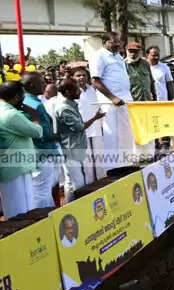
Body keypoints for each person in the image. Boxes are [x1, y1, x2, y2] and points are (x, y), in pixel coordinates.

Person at [91, 31, 136, 171]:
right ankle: (114, 168)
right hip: (111, 103)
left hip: (125, 100)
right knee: (113, 135)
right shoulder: (99, 56)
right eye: (114, 42)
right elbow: (95, 81)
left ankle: (127, 163)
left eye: (119, 42)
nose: (118, 44)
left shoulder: (118, 56)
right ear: (104, 42)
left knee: (126, 133)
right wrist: (113, 97)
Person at [55, 78, 106, 202]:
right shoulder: (65, 109)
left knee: (74, 182)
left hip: (74, 148)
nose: (79, 91)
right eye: (76, 89)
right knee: (77, 183)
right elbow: (80, 127)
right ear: (67, 92)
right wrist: (95, 118)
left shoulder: (70, 105)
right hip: (70, 150)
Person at [0, 82, 42, 218]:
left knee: (13, 209)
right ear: (16, 96)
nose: (24, 98)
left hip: (10, 168)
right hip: (17, 170)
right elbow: (37, 132)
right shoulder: (11, 114)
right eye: (23, 95)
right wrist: (35, 116)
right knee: (22, 212)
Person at [21, 72, 62, 209]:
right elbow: (43, 134)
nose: (44, 84)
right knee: (41, 193)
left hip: (38, 153)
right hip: (41, 154)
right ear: (32, 85)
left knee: (43, 191)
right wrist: (62, 134)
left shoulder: (29, 102)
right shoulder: (33, 104)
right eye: (41, 82)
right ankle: (42, 222)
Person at [72, 67, 105, 181]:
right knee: (87, 162)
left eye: (84, 75)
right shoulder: (72, 92)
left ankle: (102, 181)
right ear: (73, 77)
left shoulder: (93, 89)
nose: (81, 77)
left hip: (96, 128)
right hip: (82, 130)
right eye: (78, 75)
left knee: (99, 158)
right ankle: (90, 185)